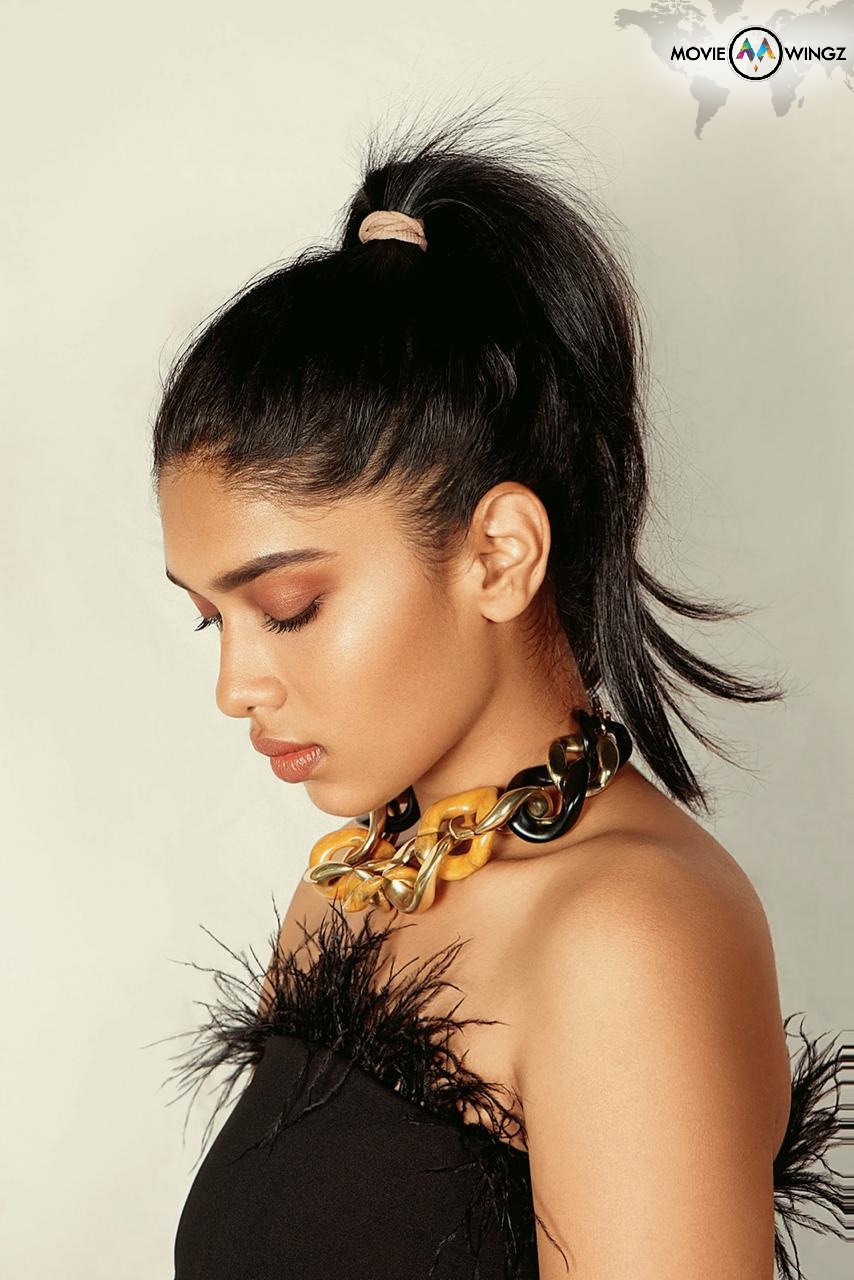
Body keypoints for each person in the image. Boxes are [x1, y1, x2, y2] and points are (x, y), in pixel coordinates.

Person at [154, 109, 851, 1280]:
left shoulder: (627, 934)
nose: (235, 685)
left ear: (496, 554)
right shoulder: (344, 892)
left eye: (287, 606)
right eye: (207, 617)